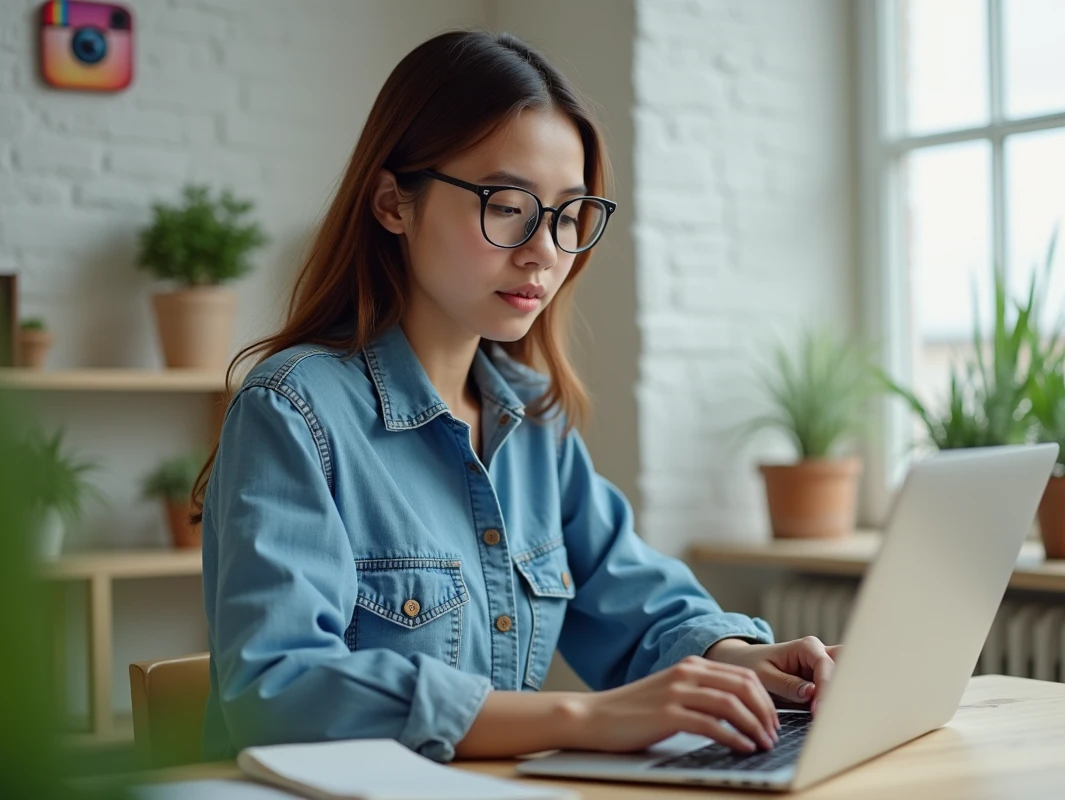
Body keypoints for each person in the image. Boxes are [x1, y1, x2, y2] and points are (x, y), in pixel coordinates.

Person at [195, 29, 839, 765]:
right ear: (393, 203)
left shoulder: (533, 422)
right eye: (507, 206)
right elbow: (280, 692)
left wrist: (742, 659)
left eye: (567, 215)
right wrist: (581, 717)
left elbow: (637, 601)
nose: (544, 251)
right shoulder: (292, 412)